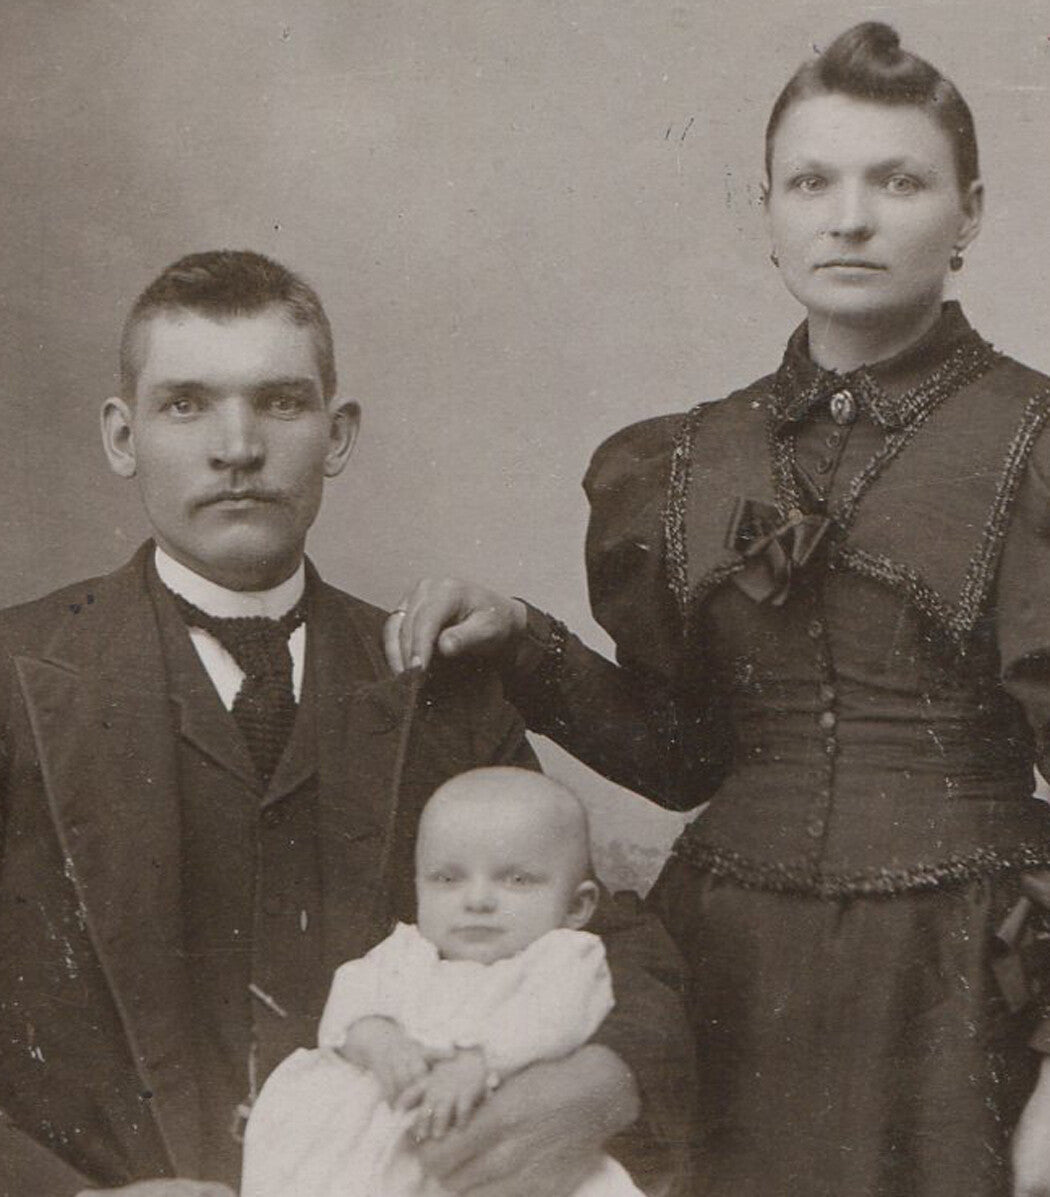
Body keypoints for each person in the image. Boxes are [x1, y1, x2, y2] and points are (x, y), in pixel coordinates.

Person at [386, 23, 1050, 1197]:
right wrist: (525, 643)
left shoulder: (1032, 443)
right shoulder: (688, 458)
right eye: (813, 181)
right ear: (770, 210)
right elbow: (688, 757)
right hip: (724, 970)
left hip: (951, 987)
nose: (850, 218)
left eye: (897, 180)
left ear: (973, 212)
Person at [0, 250, 694, 1196]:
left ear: (338, 433)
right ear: (123, 436)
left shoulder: (430, 679)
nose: (236, 446)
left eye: (280, 402)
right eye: (186, 404)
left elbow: (606, 937)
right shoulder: (19, 675)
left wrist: (600, 1084)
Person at [241, 767, 647, 1197]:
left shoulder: (564, 957)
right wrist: (378, 1040)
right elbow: (351, 1001)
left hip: (487, 1133)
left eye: (517, 879)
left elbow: (555, 1020)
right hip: (374, 1135)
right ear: (417, 887)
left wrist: (481, 1062)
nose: (476, 901)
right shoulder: (404, 951)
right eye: (447, 879)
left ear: (577, 905)